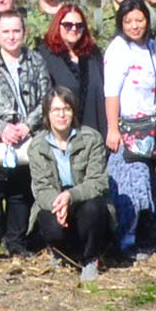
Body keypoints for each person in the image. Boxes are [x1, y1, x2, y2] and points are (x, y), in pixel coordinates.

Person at [0, 11, 51, 265]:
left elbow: (45, 98)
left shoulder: (36, 61)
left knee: (20, 194)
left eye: (16, 31)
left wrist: (27, 126)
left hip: (26, 138)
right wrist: (0, 127)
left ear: (24, 33)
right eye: (6, 31)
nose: (11, 36)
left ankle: (16, 242)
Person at [30, 89, 115, 281]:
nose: (61, 115)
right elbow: (41, 189)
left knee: (94, 208)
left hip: (84, 200)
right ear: (47, 115)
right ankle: (61, 252)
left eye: (66, 109)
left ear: (74, 111)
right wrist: (59, 203)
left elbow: (97, 182)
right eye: (56, 110)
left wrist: (70, 196)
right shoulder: (37, 146)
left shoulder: (91, 138)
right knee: (47, 220)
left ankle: (90, 258)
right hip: (56, 203)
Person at [101, 0, 156, 258]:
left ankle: (142, 236)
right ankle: (124, 242)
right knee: (129, 187)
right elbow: (111, 93)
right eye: (128, 21)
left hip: (148, 130)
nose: (135, 26)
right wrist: (113, 129)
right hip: (126, 129)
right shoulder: (118, 49)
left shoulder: (151, 47)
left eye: (139, 20)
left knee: (145, 183)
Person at [39, 4, 104, 152]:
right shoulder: (45, 55)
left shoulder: (93, 54)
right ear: (58, 25)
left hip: (93, 133)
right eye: (68, 25)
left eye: (79, 25)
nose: (74, 29)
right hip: (62, 138)